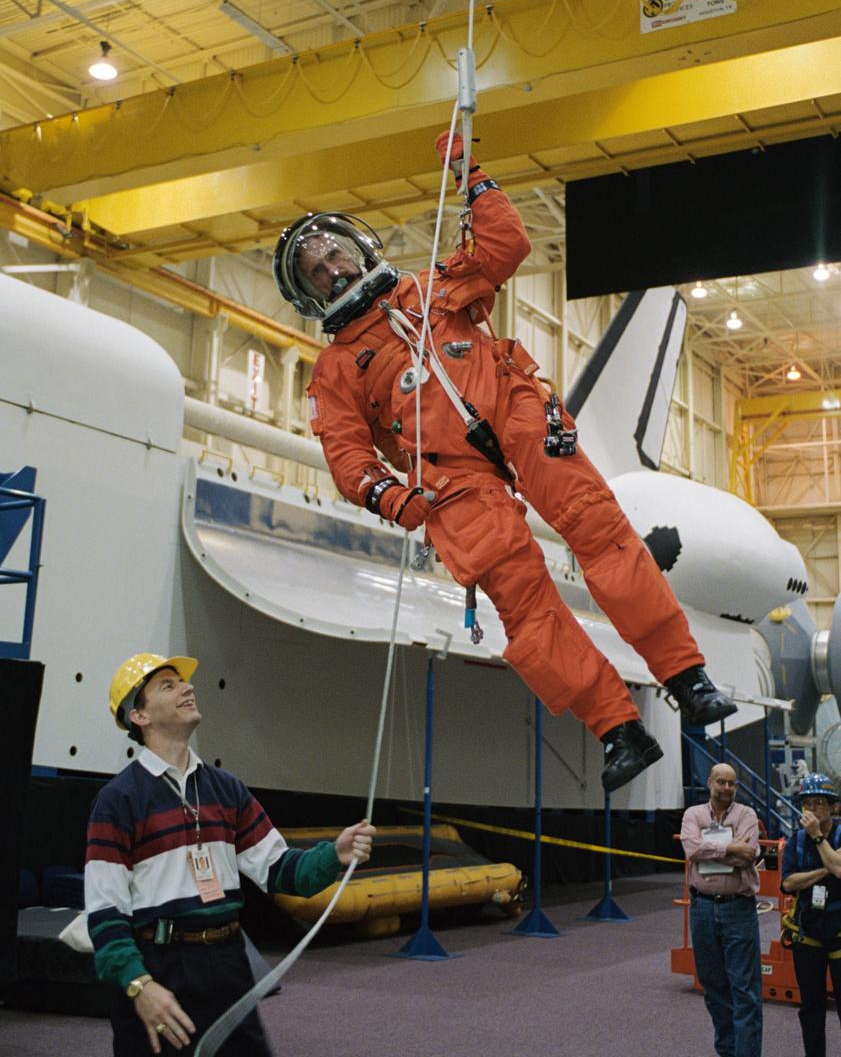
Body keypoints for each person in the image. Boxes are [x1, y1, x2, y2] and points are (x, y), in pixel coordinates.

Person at [272, 131, 736, 793]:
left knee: (599, 534)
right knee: (520, 602)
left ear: (359, 247)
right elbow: (346, 455)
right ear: (307, 292)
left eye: (334, 253)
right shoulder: (337, 369)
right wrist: (389, 497)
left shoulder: (430, 285)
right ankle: (615, 728)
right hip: (451, 480)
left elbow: (504, 247)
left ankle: (687, 678)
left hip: (517, 416)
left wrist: (471, 177)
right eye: (317, 269)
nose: (333, 268)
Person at [85, 653, 375, 1056]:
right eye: (168, 686)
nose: (188, 688)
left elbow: (282, 871)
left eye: (183, 683)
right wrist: (140, 985)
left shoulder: (227, 789)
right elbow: (104, 912)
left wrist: (335, 855)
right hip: (160, 970)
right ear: (140, 716)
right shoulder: (118, 800)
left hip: (228, 962)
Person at [680, 763, 763, 1057]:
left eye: (732, 783)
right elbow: (691, 850)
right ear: (710, 783)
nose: (726, 788)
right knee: (714, 987)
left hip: (738, 909)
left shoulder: (747, 815)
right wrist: (730, 848)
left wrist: (711, 849)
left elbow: (747, 857)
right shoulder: (693, 814)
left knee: (745, 991)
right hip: (702, 909)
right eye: (721, 782)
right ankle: (728, 1052)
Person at [781, 772, 841, 1057]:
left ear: (834, 807)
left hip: (840, 933)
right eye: (808, 803)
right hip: (808, 933)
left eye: (820, 803)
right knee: (811, 1008)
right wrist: (825, 868)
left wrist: (819, 837)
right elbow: (789, 884)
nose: (813, 810)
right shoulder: (795, 842)